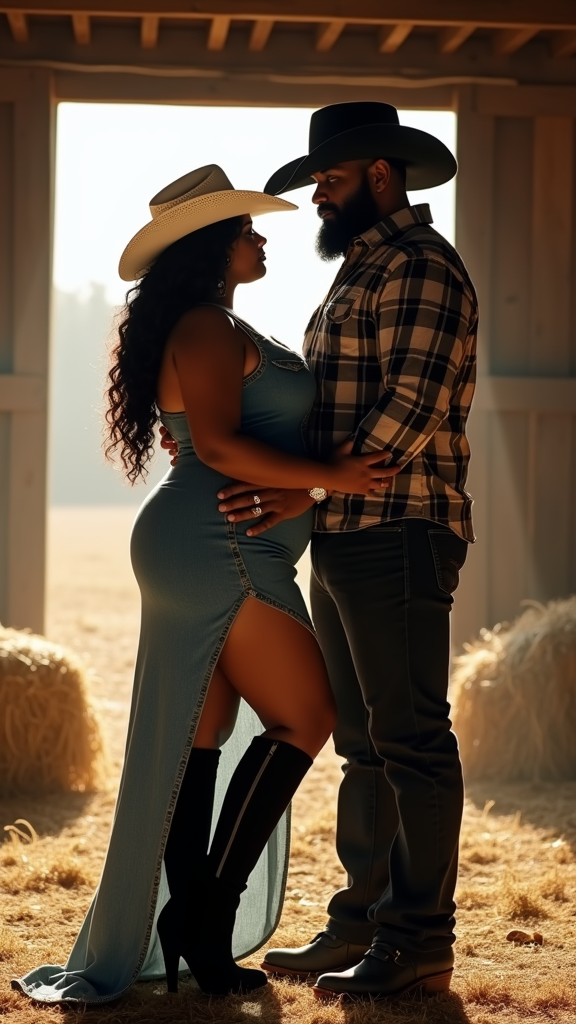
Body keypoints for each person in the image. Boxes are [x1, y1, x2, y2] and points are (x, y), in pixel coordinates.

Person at [12, 164, 397, 1005]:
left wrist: (310, 483)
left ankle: (199, 931)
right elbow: (218, 445)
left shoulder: (212, 322)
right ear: (212, 244)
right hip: (221, 540)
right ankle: (202, 915)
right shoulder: (206, 325)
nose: (262, 238)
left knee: (200, 738)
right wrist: (333, 475)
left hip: (212, 540)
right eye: (247, 228)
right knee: (310, 715)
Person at [186, 103, 478, 1001]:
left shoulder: (423, 269)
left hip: (401, 529)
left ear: (380, 175)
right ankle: (363, 920)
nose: (317, 193)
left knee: (410, 738)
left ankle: (419, 938)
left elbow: (406, 417)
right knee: (363, 742)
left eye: (329, 178)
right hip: (351, 535)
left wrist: (302, 488)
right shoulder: (363, 270)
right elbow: (327, 411)